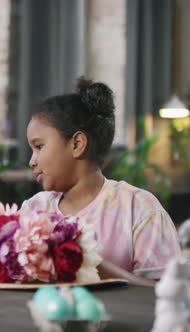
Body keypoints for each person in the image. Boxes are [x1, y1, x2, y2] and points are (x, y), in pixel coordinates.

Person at [21, 77, 180, 286]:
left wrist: (97, 267)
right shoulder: (34, 209)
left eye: (39, 146)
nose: (32, 161)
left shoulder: (139, 209)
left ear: (77, 144)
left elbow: (170, 295)